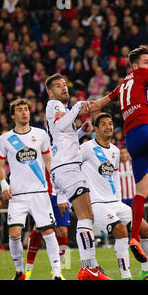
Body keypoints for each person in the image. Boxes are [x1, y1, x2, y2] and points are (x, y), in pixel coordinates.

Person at [91, 45, 148, 264]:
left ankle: (134, 239)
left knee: (142, 189)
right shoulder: (143, 75)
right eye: (145, 62)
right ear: (134, 66)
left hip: (131, 139)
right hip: (147, 129)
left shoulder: (122, 85)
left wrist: (83, 108)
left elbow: (101, 103)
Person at [44, 74, 111, 280]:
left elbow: (61, 136)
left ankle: (90, 267)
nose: (63, 88)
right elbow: (63, 125)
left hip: (68, 165)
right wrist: (78, 107)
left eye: (64, 85)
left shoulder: (61, 109)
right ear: (50, 92)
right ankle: (88, 268)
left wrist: (81, 131)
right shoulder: (54, 105)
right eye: (58, 86)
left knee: (87, 216)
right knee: (85, 216)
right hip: (67, 167)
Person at [79, 112, 148, 280]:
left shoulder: (115, 151)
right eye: (104, 124)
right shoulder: (87, 148)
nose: (109, 127)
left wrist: (119, 200)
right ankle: (126, 276)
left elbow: (114, 177)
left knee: (147, 230)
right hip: (96, 203)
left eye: (110, 123)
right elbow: (70, 166)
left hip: (115, 202)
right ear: (96, 129)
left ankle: (146, 271)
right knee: (120, 230)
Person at [0, 99, 62, 280]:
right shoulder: (5, 138)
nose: (24, 113)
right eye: (20, 110)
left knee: (48, 231)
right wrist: (4, 184)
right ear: (13, 115)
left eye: (26, 109)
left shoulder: (41, 134)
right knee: (14, 232)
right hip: (17, 194)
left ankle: (56, 273)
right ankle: (20, 272)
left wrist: (55, 178)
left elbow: (48, 160)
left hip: (40, 192)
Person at [25, 168, 69, 280]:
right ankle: (28, 269)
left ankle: (57, 271)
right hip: (43, 195)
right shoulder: (40, 151)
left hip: (60, 195)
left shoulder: (62, 151)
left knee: (63, 232)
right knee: (39, 229)